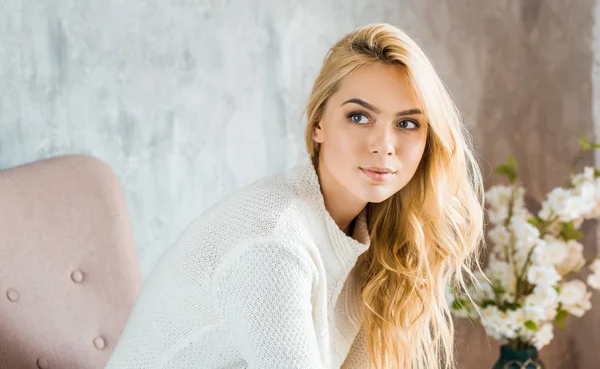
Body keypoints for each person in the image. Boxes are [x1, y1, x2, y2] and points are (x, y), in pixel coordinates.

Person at [105, 23, 485, 369]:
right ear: (318, 123)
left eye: (406, 124)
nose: (384, 145)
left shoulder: (371, 240)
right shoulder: (273, 242)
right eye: (359, 117)